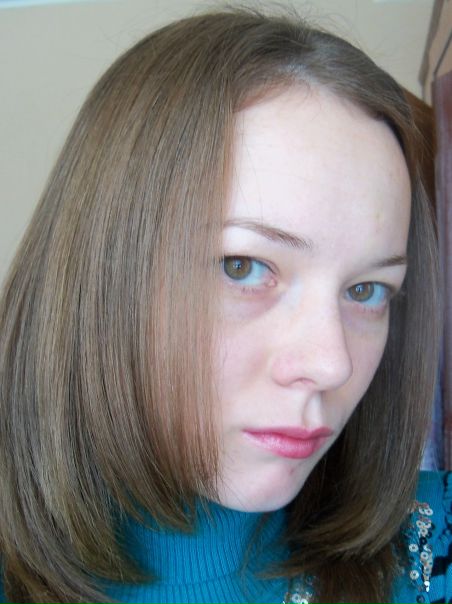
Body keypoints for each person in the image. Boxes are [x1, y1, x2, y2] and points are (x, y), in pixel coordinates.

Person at [0, 7, 447, 604]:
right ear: (101, 268)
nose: (331, 364)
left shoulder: (434, 551)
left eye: (366, 291)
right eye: (244, 267)